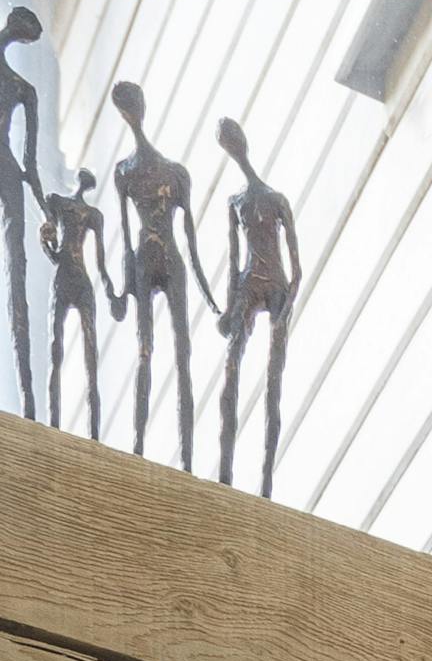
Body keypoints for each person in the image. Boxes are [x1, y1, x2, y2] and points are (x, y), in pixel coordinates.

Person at [106, 76, 206, 472]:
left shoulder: (174, 173)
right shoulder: (125, 172)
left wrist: (210, 297)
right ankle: (138, 448)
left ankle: (186, 459)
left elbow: (192, 240)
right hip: (146, 260)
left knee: (181, 352)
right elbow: (127, 233)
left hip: (165, 259)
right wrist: (123, 287)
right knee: (147, 349)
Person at [211, 114, 295, 494]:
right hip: (247, 285)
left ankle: (265, 484)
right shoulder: (235, 203)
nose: (233, 148)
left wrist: (288, 302)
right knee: (232, 370)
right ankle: (225, 475)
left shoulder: (277, 201)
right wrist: (230, 310)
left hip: (276, 286)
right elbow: (232, 261)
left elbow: (298, 268)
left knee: (273, 383)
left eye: (233, 140)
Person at [37, 143, 106, 440]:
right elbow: (54, 246)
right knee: (59, 349)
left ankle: (92, 433)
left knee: (87, 353)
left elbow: (100, 261)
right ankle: (54, 423)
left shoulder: (91, 214)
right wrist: (45, 240)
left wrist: (113, 290)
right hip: (70, 275)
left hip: (75, 276)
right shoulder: (60, 204)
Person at [0, 7, 47, 424]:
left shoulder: (23, 89)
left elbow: (31, 166)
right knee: (15, 271)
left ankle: (29, 409)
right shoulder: (20, 88)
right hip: (9, 172)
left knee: (18, 272)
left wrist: (46, 212)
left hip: (9, 174)